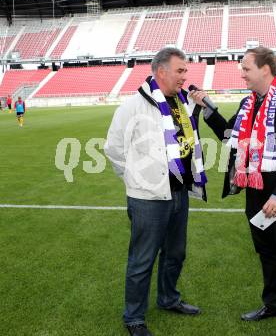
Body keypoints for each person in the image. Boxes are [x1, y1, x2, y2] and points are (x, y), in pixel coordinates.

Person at [190, 47, 276, 336]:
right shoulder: (249, 103)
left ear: (265, 70)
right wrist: (207, 107)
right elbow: (227, 135)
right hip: (255, 192)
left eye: (246, 68)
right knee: (266, 254)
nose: (241, 73)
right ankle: (273, 305)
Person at [104, 47, 207, 336]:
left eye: (185, 71)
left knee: (175, 253)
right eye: (180, 70)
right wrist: (138, 179)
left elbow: (186, 141)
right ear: (161, 71)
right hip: (147, 198)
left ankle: (168, 299)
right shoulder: (133, 106)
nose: (185, 76)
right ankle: (134, 317)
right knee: (142, 259)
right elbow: (113, 149)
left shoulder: (181, 103)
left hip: (179, 193)